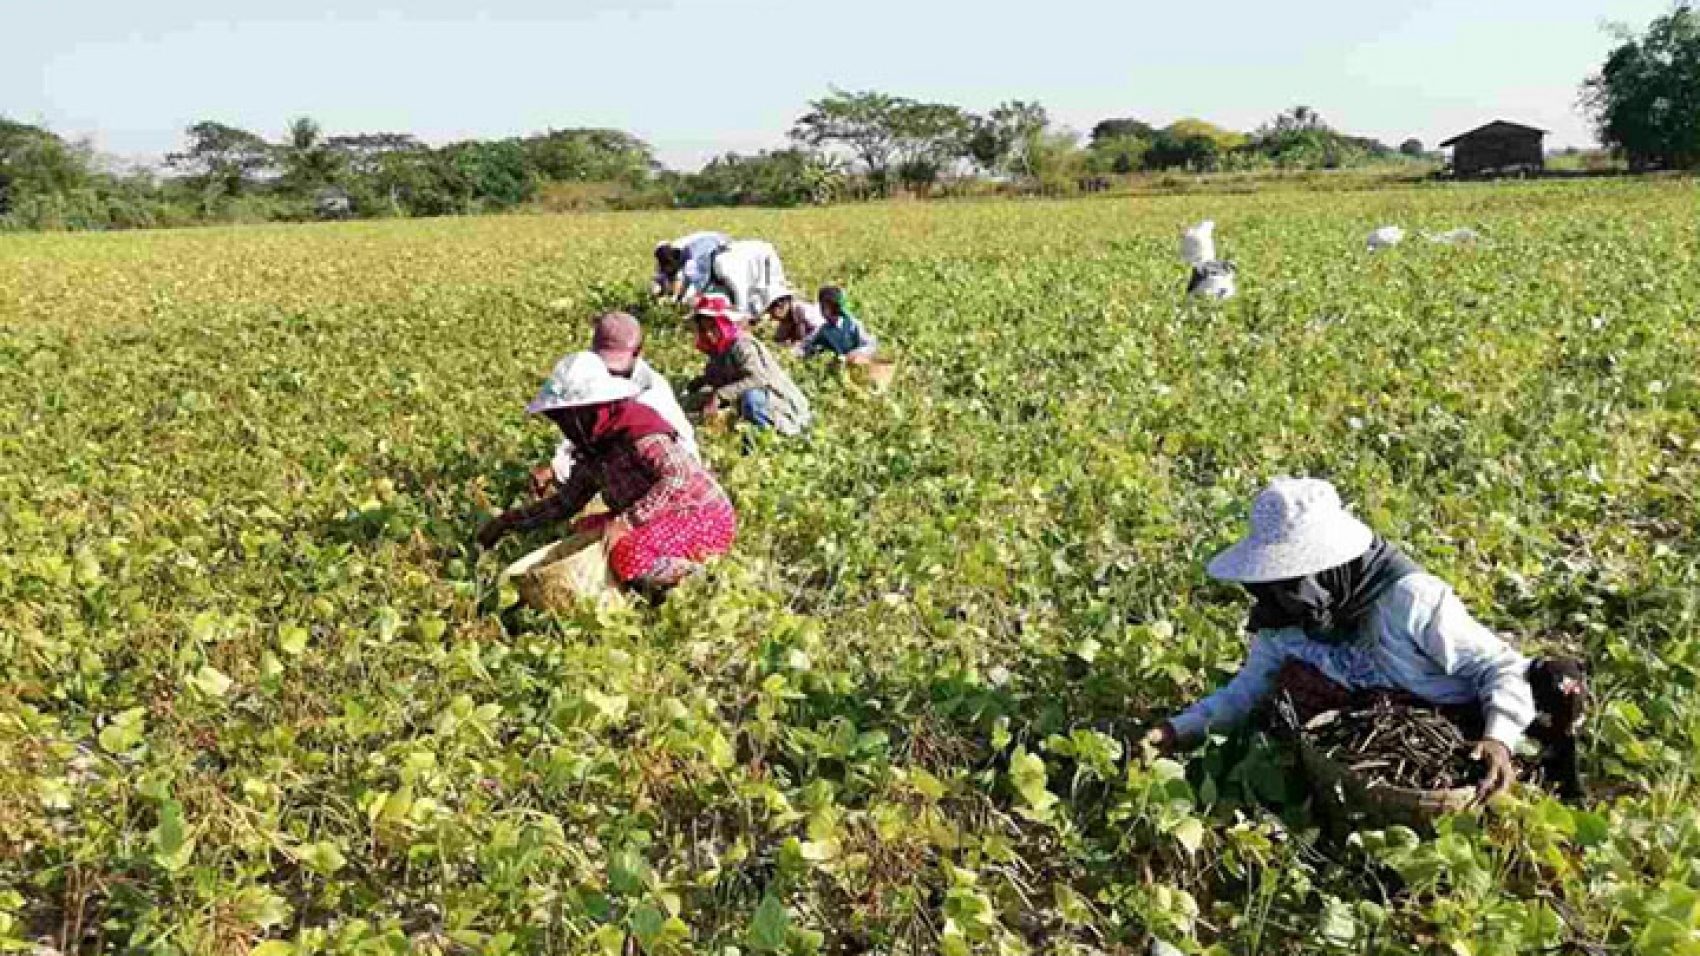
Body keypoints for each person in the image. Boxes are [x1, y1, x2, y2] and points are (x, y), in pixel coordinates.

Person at [1144, 478, 1586, 802]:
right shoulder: (1283, 615)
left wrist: (1498, 739)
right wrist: (1175, 731)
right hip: (1376, 724)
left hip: (1456, 720)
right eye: (1273, 583)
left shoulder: (1408, 599)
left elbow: (1500, 668)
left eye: (1293, 583)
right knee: (1289, 689)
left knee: (1551, 686)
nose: (1281, 596)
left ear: (1329, 571)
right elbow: (1245, 692)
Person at [478, 352, 735, 592]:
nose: (565, 426)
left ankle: (697, 580)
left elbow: (677, 476)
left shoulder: (639, 433)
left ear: (592, 410)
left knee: (627, 551)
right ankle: (640, 578)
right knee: (586, 530)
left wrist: (626, 522)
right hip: (659, 517)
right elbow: (565, 504)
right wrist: (507, 522)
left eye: (567, 417)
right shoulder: (594, 449)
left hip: (701, 515)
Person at [529, 312, 697, 499]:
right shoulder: (598, 383)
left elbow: (676, 474)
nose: (611, 371)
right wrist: (556, 465)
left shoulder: (650, 395)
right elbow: (589, 430)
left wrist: (625, 521)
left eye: (617, 365)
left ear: (638, 353)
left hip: (668, 485)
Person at [683, 293, 812, 435]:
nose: (708, 334)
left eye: (712, 327)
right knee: (693, 402)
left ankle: (770, 437)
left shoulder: (743, 345)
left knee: (752, 398)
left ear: (723, 324)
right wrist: (700, 382)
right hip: (751, 400)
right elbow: (721, 377)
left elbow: (758, 379)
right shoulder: (719, 351)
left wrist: (720, 395)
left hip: (781, 404)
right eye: (704, 329)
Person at [708, 239, 789, 319]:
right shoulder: (723, 268)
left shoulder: (723, 268)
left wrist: (741, 313)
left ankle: (780, 307)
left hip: (763, 257)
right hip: (760, 255)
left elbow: (740, 295)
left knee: (768, 291)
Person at [803, 286, 878, 364]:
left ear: (835, 307)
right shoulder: (823, 330)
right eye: (821, 307)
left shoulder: (852, 325)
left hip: (855, 367)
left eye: (824, 307)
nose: (822, 311)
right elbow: (807, 345)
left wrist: (854, 355)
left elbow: (870, 345)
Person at [653, 231, 730, 304]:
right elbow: (685, 278)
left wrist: (679, 298)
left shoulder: (694, 259)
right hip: (712, 244)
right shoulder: (674, 254)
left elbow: (702, 285)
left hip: (721, 246)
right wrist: (678, 297)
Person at [763, 286, 826, 355]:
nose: (772, 317)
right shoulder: (787, 318)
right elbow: (777, 341)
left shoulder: (800, 310)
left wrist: (799, 347)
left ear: (780, 305)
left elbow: (820, 330)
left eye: (771, 312)